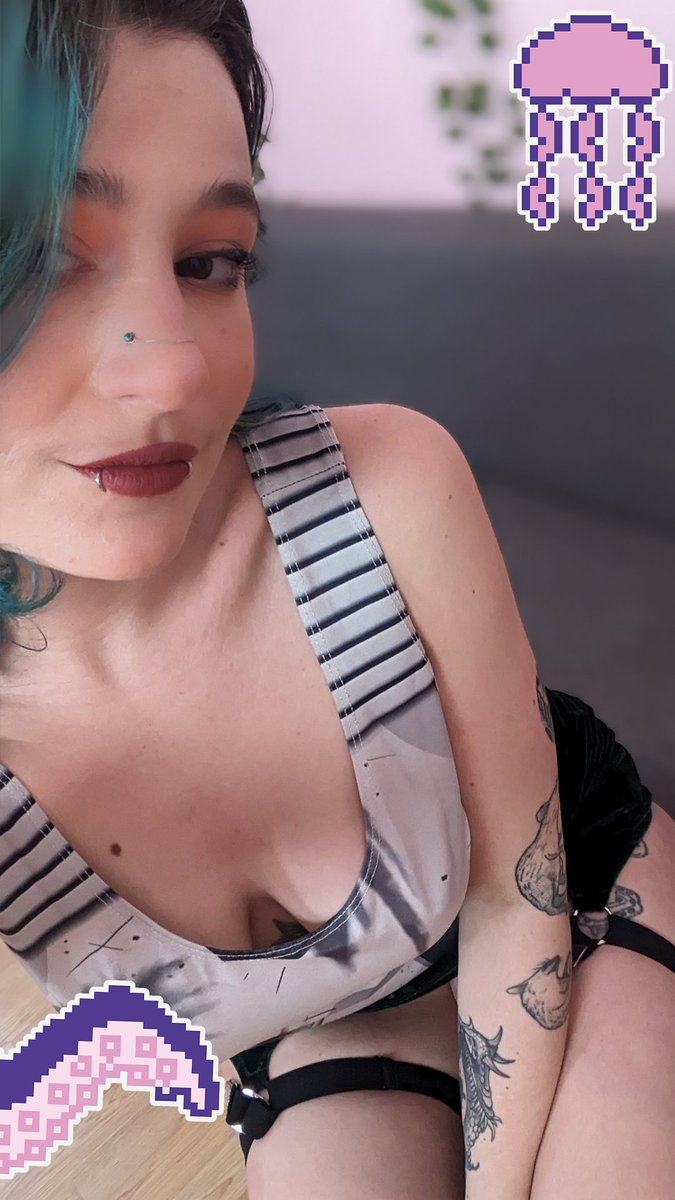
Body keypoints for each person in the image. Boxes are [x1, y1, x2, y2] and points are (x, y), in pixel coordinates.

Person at [1, 4, 673, 1197]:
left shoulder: (388, 485)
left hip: (572, 890)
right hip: (331, 1022)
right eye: (44, 261)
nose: (173, 366)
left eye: (212, 262)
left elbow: (511, 901)